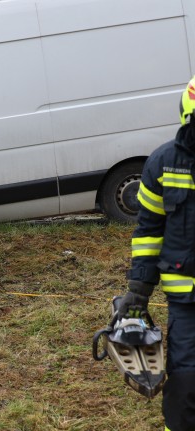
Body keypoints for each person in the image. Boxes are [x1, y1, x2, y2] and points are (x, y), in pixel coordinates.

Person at [119, 75, 195, 431]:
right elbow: (149, 232)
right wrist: (138, 290)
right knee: (184, 388)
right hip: (187, 301)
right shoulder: (164, 163)